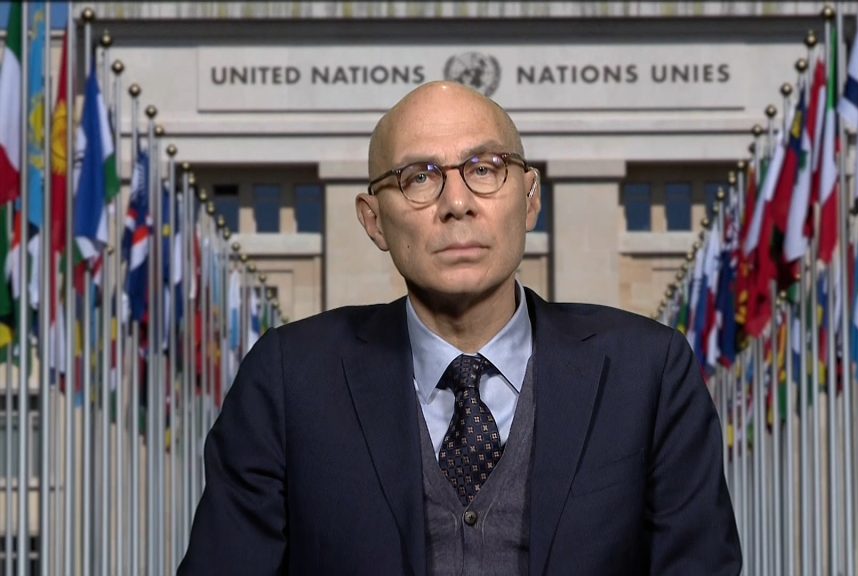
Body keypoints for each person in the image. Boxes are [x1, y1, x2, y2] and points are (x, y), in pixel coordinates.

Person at [179, 81, 741, 575]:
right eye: (419, 177)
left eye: (484, 169)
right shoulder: (287, 380)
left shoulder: (649, 374)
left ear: (530, 199)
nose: (457, 203)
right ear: (374, 221)